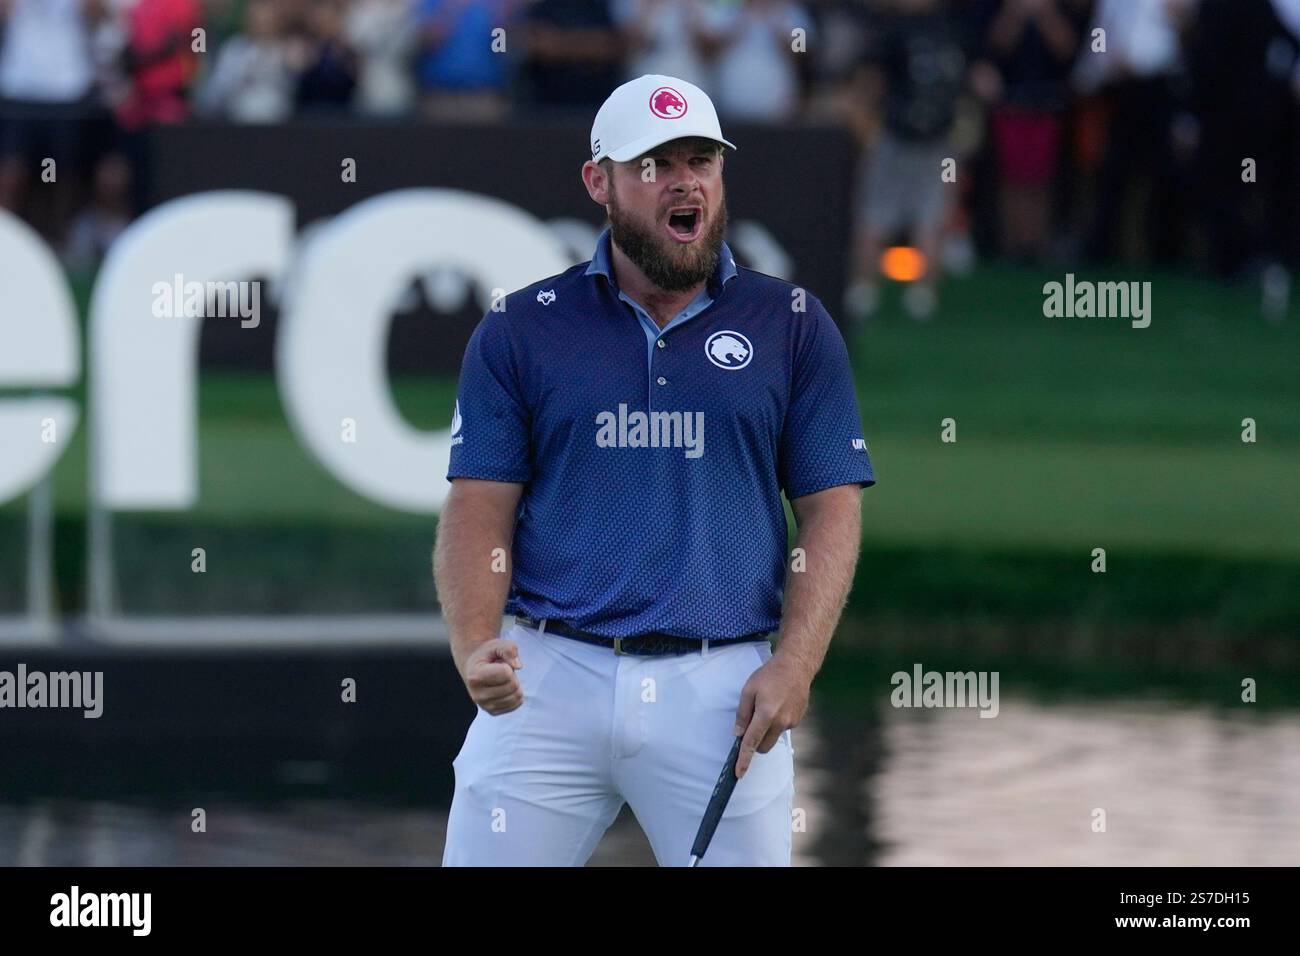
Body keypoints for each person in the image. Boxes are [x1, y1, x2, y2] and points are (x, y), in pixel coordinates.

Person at [436, 74, 875, 867]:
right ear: (599, 182)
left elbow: (831, 509)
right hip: (548, 676)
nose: (685, 181)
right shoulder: (521, 330)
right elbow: (478, 506)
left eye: (700, 160)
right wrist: (475, 643)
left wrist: (795, 664)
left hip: (724, 689)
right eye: (654, 163)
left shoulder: (794, 326)